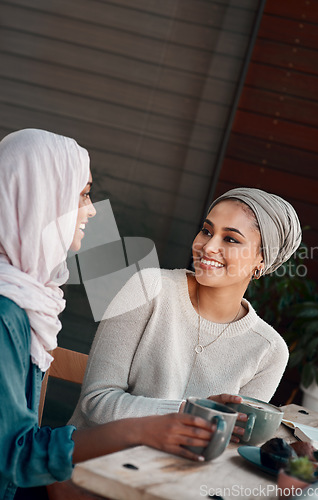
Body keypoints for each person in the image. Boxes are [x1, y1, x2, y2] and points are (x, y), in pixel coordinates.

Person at [0, 129, 219, 500]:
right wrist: (141, 430)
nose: (92, 209)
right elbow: (14, 456)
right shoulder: (8, 313)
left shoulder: (30, 297)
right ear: (39, 199)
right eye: (82, 194)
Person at [69, 186, 302, 429]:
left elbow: (232, 439)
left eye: (230, 239)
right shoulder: (147, 288)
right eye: (206, 231)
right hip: (94, 460)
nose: (208, 247)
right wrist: (186, 412)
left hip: (183, 467)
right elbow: (96, 403)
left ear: (262, 260)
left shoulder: (268, 350)